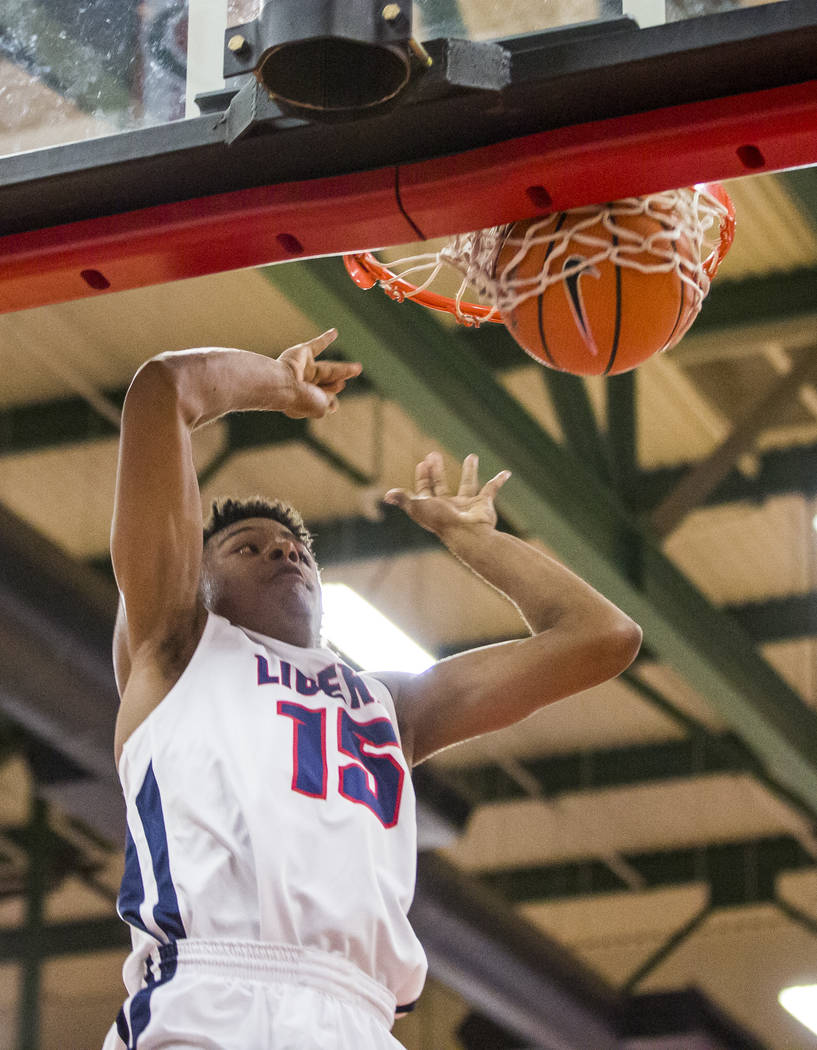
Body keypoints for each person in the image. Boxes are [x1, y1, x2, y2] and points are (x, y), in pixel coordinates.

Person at [103, 328, 641, 1050]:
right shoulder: (174, 650)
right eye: (247, 547)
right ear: (194, 582)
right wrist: (276, 386)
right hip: (210, 998)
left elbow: (600, 639)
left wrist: (479, 543)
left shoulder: (388, 706)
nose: (284, 554)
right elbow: (161, 390)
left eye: (297, 551)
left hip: (358, 1018)